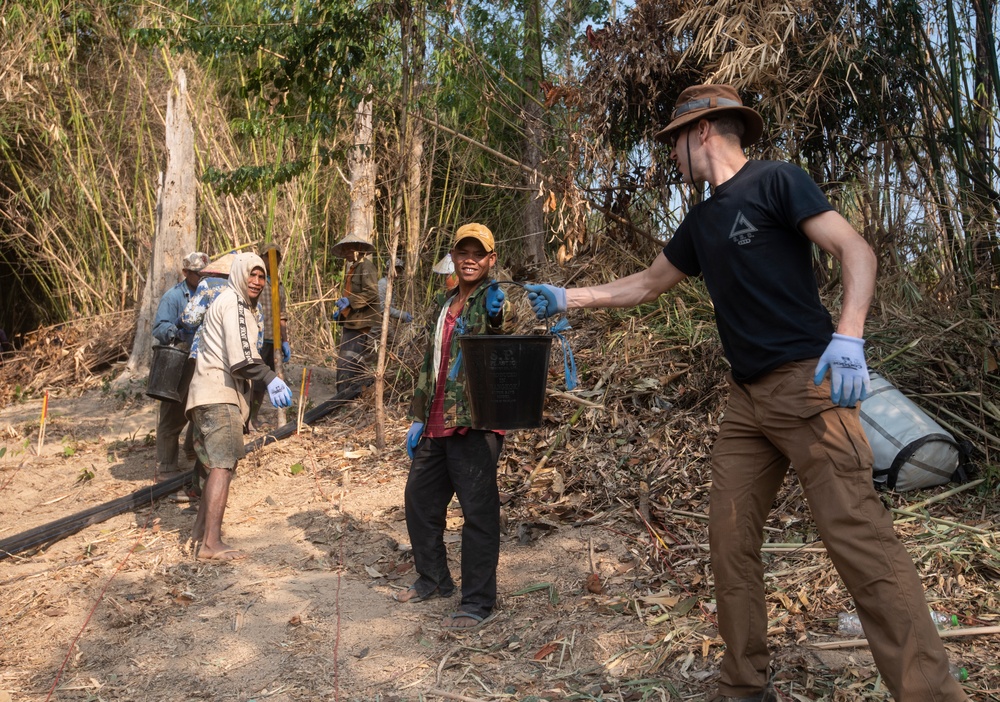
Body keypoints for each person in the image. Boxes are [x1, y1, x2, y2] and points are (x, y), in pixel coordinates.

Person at [524, 84, 967, 702]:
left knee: (861, 542)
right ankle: (744, 684)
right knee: (729, 541)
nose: (671, 156)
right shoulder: (702, 221)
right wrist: (571, 297)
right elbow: (650, 283)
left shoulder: (777, 181)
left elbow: (855, 250)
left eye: (674, 142)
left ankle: (932, 695)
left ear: (702, 131)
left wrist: (850, 335)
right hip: (746, 402)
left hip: (810, 385)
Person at [397, 223, 511, 631]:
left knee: (478, 514)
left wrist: (500, 315)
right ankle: (435, 579)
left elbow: (504, 327)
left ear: (490, 259)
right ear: (454, 255)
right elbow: (431, 365)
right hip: (436, 421)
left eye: (478, 253)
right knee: (419, 501)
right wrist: (417, 415)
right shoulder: (445, 303)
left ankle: (478, 600)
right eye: (463, 251)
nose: (470, 259)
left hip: (476, 423)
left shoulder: (492, 298)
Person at [185, 252, 293, 561]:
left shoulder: (237, 304)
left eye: (261, 276)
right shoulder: (233, 304)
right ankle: (211, 543)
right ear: (238, 275)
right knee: (223, 465)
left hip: (206, 394)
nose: (257, 282)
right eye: (252, 275)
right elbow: (242, 359)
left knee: (213, 466)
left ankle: (199, 533)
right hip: (218, 396)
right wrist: (271, 378)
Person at [151, 251, 208, 483]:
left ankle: (192, 451)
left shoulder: (208, 293)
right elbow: (159, 328)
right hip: (178, 361)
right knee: (173, 414)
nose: (201, 277)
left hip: (201, 360)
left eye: (205, 273)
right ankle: (166, 467)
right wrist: (177, 331)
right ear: (186, 273)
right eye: (197, 274)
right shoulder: (173, 297)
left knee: (198, 409)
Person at [249, 242, 291, 427]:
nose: (273, 261)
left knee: (265, 383)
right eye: (269, 256)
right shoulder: (256, 281)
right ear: (262, 258)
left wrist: (285, 340)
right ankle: (246, 418)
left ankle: (254, 416)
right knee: (251, 381)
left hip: (272, 341)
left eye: (277, 257)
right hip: (255, 337)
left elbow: (282, 316)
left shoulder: (278, 286)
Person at [331, 237, 379, 392]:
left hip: (361, 324)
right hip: (351, 322)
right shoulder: (354, 268)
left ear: (358, 248)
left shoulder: (366, 267)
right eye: (344, 250)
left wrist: (350, 301)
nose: (346, 253)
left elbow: (371, 293)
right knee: (349, 361)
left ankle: (345, 398)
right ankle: (347, 396)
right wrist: (341, 313)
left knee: (348, 361)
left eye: (348, 249)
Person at [377, 258, 413, 324]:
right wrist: (402, 315)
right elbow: (381, 307)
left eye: (399, 271)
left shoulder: (392, 285)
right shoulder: (383, 284)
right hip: (377, 324)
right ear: (387, 270)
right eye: (395, 270)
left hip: (385, 322)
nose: (397, 274)